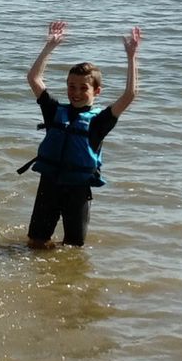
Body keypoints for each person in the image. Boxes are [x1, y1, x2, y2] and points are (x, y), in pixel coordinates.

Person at [18, 21, 141, 248]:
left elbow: (129, 95)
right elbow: (33, 79)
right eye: (71, 86)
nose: (76, 92)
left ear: (96, 91)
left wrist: (131, 56)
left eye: (83, 88)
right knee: (35, 242)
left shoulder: (99, 121)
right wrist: (49, 47)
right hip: (49, 185)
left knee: (73, 247)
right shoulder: (54, 111)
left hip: (78, 190)